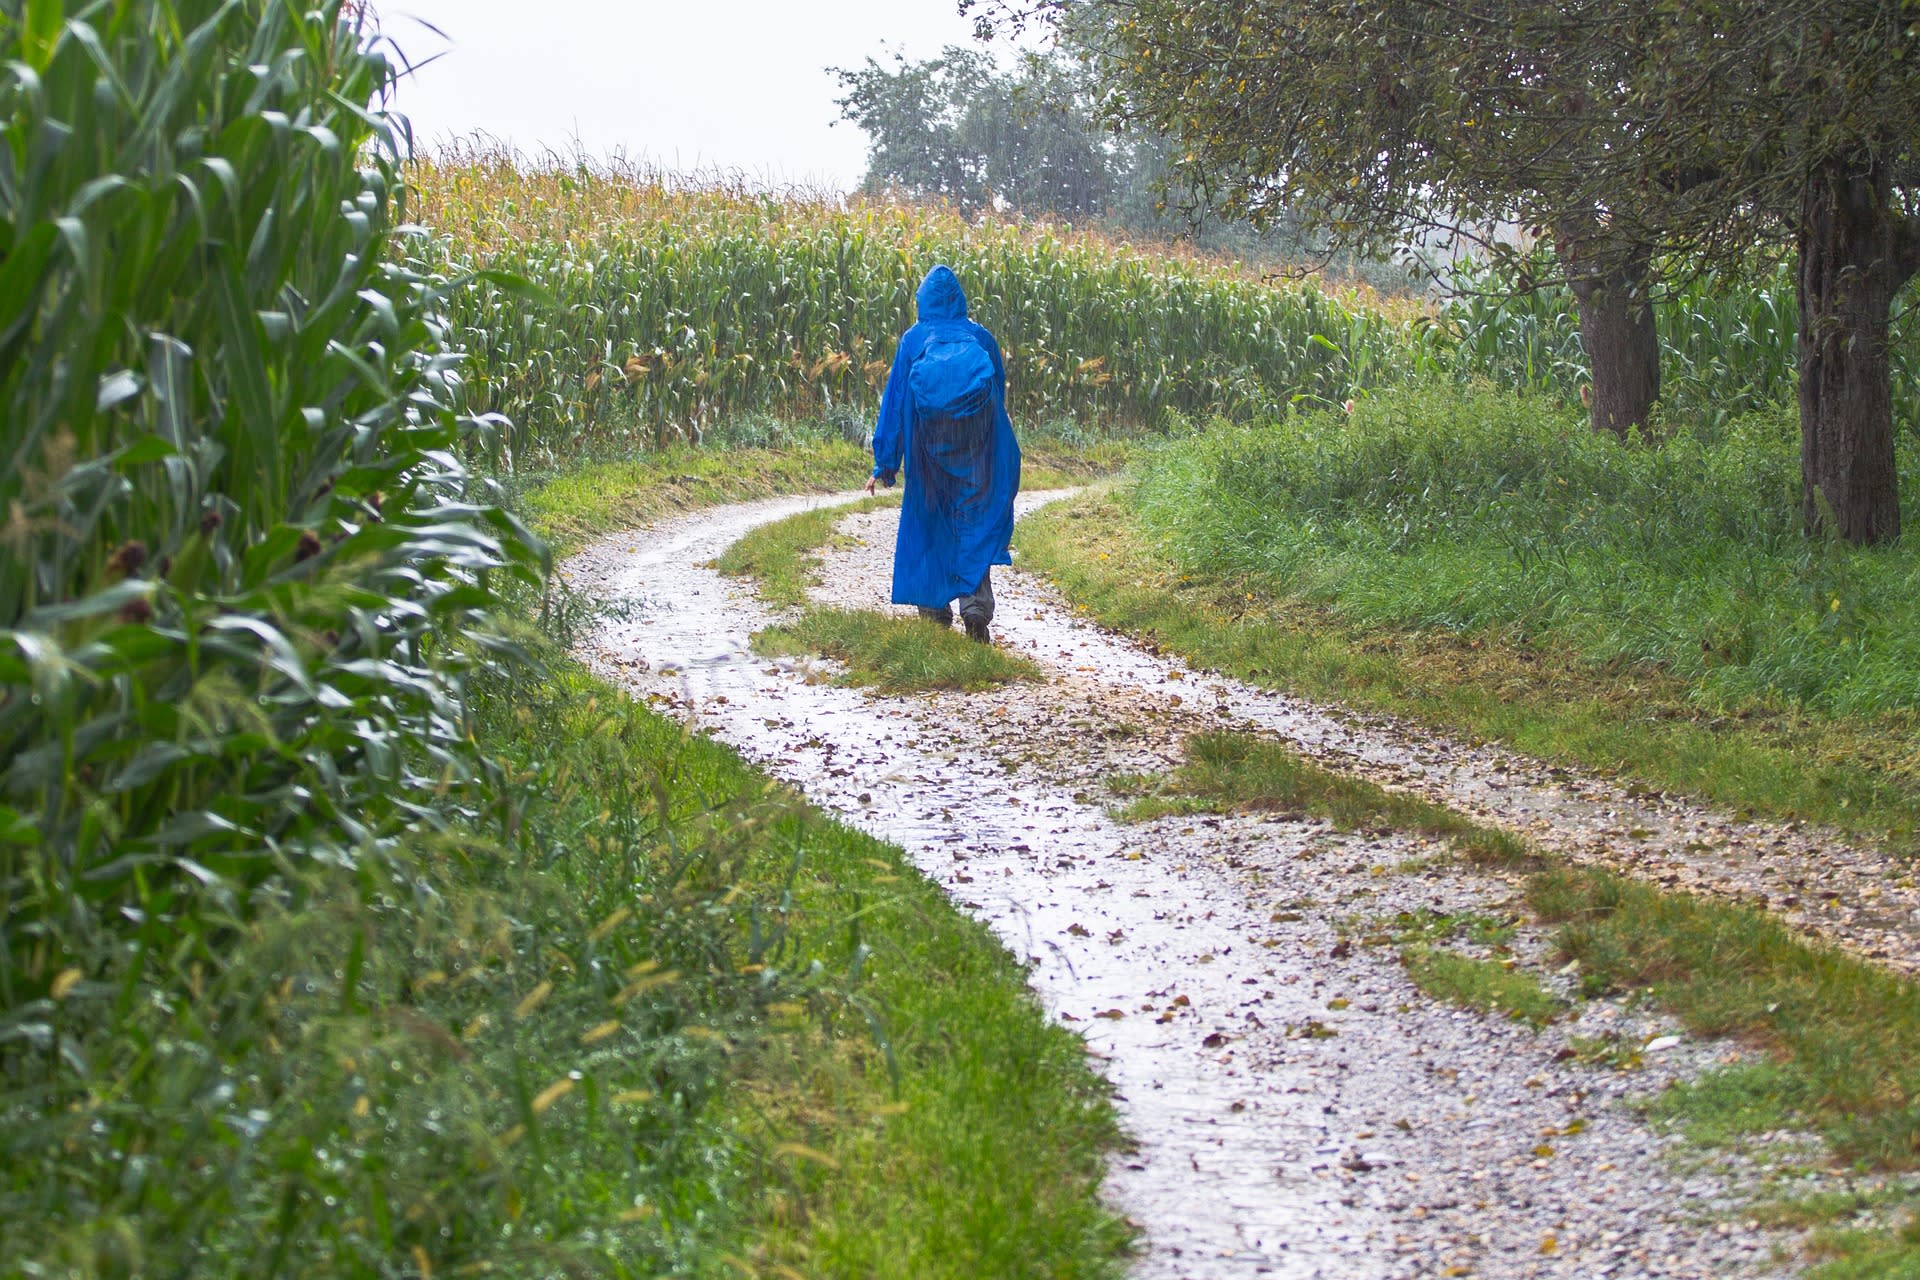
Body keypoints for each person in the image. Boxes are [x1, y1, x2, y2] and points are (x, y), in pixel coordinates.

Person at [863, 265, 1021, 643]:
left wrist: (885, 462)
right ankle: (976, 612)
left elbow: (896, 401)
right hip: (978, 451)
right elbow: (998, 395)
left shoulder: (915, 341)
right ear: (959, 300)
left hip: (926, 452)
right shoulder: (981, 339)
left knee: (930, 523)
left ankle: (934, 615)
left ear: (923, 301)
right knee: (975, 522)